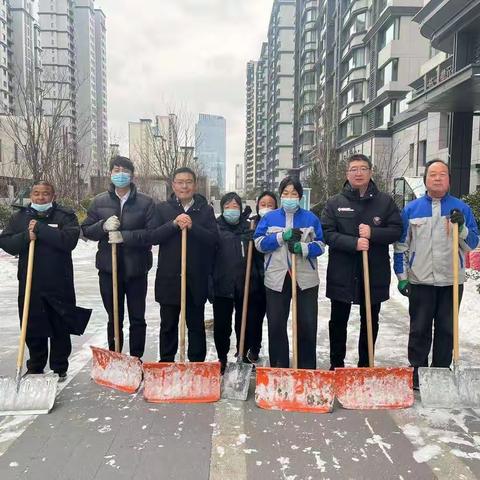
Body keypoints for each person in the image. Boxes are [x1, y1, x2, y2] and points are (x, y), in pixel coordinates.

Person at [394, 159, 479, 389]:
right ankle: (417, 372)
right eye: (433, 174)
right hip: (420, 281)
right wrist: (402, 279)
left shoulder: (462, 209)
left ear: (449, 180)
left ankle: (441, 372)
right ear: (425, 180)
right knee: (419, 328)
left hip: (451, 281)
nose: (438, 178)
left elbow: (472, 244)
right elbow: (401, 247)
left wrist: (461, 228)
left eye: (443, 174)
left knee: (446, 329)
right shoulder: (411, 210)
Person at [321, 153, 402, 370]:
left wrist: (373, 233)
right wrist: (353, 242)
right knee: (338, 321)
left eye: (363, 168)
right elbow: (327, 234)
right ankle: (336, 364)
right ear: (347, 173)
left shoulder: (385, 202)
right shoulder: (335, 202)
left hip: (373, 272)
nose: (358, 173)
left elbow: (396, 231)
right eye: (354, 169)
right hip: (342, 273)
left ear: (370, 172)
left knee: (370, 321)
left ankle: (365, 366)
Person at [0, 181, 85, 381]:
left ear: (53, 196)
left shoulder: (65, 216)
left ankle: (59, 366)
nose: (40, 198)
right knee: (32, 325)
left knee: (59, 326)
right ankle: (35, 365)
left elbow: (68, 241)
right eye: (36, 194)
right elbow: (6, 242)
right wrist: (25, 237)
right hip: (31, 282)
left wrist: (41, 229)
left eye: (45, 194)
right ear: (31, 195)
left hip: (59, 281)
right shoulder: (20, 217)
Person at [82, 156, 156, 359]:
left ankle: (136, 358)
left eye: (124, 170)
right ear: (110, 173)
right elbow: (86, 230)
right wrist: (102, 226)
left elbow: (153, 234)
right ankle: (115, 357)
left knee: (137, 317)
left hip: (136, 269)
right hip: (109, 269)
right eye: (116, 170)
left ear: (132, 175)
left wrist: (125, 236)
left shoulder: (146, 202)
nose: (120, 174)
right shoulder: (99, 201)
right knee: (114, 316)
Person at [254, 177, 324, 369]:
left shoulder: (311, 218)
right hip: (277, 277)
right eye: (285, 193)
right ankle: (279, 366)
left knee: (307, 324)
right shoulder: (269, 218)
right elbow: (259, 243)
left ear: (300, 197)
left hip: (305, 279)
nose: (289, 197)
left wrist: (303, 247)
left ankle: (306, 367)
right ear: (280, 195)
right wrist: (280, 237)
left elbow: (320, 245)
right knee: (276, 324)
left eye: (293, 194)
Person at [149, 167, 218, 362]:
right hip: (169, 278)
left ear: (195, 185)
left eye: (188, 182)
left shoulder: (205, 210)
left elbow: (213, 239)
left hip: (195, 279)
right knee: (168, 324)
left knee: (195, 325)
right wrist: (173, 225)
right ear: (173, 185)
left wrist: (192, 227)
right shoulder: (163, 209)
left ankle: (197, 364)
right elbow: (152, 236)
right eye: (180, 182)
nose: (184, 186)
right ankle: (167, 363)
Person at [211, 192, 252, 372]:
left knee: (243, 323)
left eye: (235, 206)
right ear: (222, 209)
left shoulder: (248, 228)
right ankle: (222, 358)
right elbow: (209, 259)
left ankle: (242, 355)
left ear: (241, 209)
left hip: (244, 284)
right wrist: (210, 284)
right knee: (222, 326)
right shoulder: (215, 228)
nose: (231, 210)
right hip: (222, 284)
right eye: (227, 207)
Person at [245, 191, 278, 363]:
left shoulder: (279, 224)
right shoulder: (252, 224)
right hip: (256, 280)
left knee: (275, 320)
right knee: (254, 318)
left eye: (270, 205)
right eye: (263, 204)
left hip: (275, 279)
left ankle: (277, 354)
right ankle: (254, 348)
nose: (266, 208)